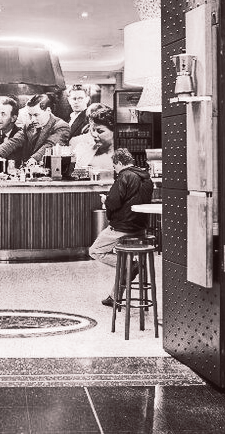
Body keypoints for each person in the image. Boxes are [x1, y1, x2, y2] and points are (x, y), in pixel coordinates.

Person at [88, 148, 155, 307]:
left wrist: (105, 200)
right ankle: (114, 296)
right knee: (126, 260)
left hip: (122, 226)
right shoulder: (147, 178)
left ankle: (130, 265)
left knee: (95, 251)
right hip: (140, 227)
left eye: (114, 166)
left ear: (119, 162)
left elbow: (113, 203)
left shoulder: (124, 176)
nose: (114, 169)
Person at [0, 94, 70, 168]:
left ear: (48, 110)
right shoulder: (29, 125)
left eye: (36, 115)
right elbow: (14, 141)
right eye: (30, 115)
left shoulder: (62, 127)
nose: (32, 120)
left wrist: (33, 159)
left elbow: (49, 146)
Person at [72, 104, 116, 178]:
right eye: (92, 130)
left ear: (114, 131)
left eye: (100, 131)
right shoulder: (82, 150)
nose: (94, 135)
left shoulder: (123, 155)